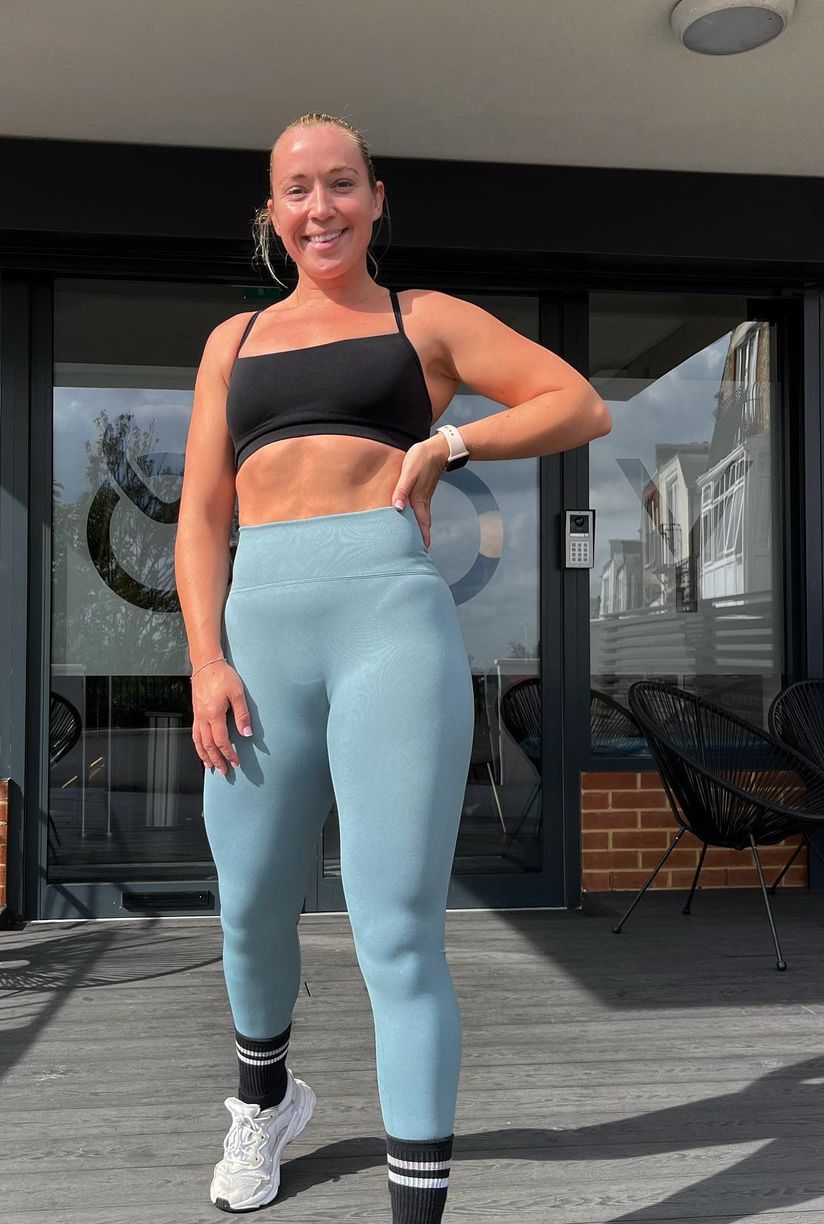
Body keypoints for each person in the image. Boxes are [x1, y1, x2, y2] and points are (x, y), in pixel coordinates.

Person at [174, 112, 612, 1222]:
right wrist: (205, 660)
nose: (320, 207)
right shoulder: (233, 342)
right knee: (251, 909)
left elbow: (578, 402)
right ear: (272, 213)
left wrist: (451, 443)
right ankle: (264, 1104)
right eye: (297, 190)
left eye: (341, 184)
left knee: (400, 932)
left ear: (376, 199)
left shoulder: (425, 320)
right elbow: (202, 516)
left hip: (391, 632)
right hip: (259, 638)